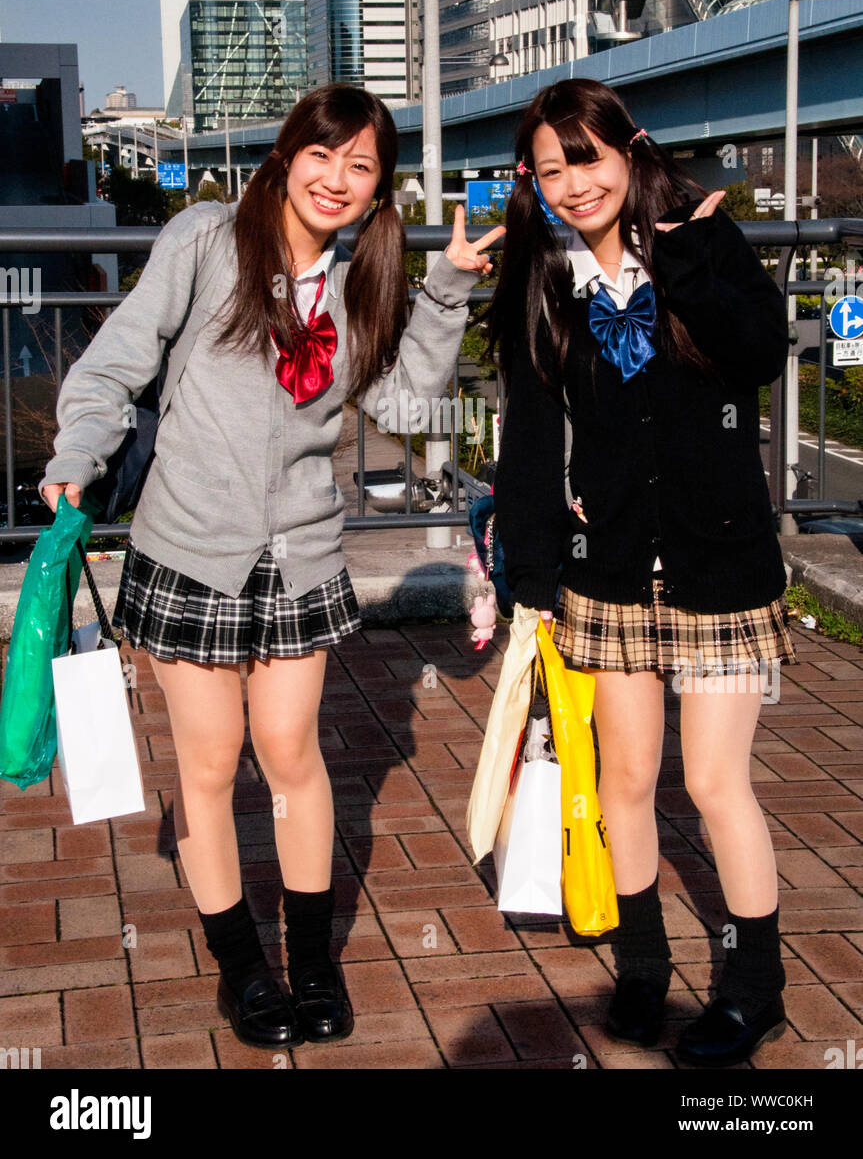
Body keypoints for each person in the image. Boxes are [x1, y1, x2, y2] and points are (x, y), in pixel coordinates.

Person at [39, 84, 503, 1051]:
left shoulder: (360, 284)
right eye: (323, 156)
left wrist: (450, 286)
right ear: (288, 155)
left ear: (381, 193)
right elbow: (116, 363)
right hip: (188, 551)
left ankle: (315, 962)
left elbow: (411, 411)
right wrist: (77, 456)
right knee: (206, 769)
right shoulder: (208, 239)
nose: (337, 179)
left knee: (293, 758)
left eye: (362, 167)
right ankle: (244, 971)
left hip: (299, 557)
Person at [487, 77, 797, 1069]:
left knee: (711, 781)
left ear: (629, 148)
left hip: (720, 564)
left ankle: (753, 987)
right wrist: (529, 569)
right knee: (623, 780)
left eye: (583, 157)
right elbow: (530, 433)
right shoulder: (543, 275)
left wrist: (693, 249)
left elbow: (758, 353)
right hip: (609, 570)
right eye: (548, 169)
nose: (570, 183)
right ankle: (641, 965)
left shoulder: (699, 240)